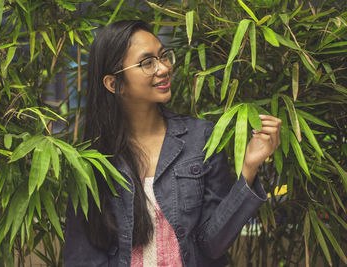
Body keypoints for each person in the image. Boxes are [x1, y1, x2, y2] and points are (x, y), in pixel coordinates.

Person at [63, 20, 281, 267]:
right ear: (114, 84)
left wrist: (249, 169)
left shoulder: (201, 138)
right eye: (147, 62)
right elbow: (82, 257)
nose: (164, 68)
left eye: (163, 56)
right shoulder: (93, 159)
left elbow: (213, 245)